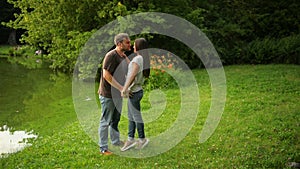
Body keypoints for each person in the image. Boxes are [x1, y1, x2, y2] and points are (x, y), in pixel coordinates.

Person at [97, 33, 131, 155]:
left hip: (118, 95)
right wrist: (121, 88)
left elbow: (128, 69)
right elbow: (106, 75)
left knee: (115, 120)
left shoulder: (122, 56)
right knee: (105, 121)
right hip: (108, 95)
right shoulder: (111, 56)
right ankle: (103, 148)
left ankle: (115, 141)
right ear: (119, 44)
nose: (130, 44)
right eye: (127, 42)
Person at [120, 38, 150, 152]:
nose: (133, 47)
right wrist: (126, 58)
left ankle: (142, 139)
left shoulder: (138, 59)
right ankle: (130, 139)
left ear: (139, 47)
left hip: (134, 92)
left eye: (134, 45)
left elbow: (132, 75)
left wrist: (125, 88)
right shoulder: (142, 58)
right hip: (138, 91)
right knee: (131, 116)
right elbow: (133, 68)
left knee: (135, 116)